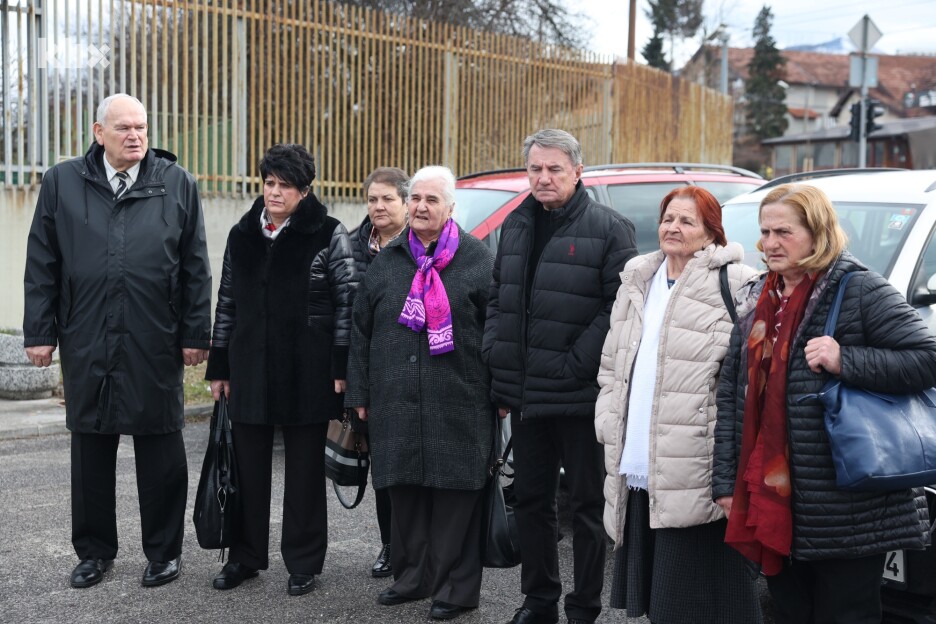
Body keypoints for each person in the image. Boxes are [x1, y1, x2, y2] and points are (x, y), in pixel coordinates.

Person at [713, 183, 936, 624]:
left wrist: (845, 359)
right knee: (791, 613)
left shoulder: (859, 289)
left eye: (784, 232)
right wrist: (725, 482)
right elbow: (731, 394)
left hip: (849, 509)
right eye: (765, 232)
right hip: (776, 501)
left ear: (817, 233)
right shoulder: (761, 299)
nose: (770, 243)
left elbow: (927, 359)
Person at [23, 93, 212, 589]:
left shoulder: (176, 184)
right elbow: (43, 262)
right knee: (91, 445)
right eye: (124, 128)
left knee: (161, 446)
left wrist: (196, 332)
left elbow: (195, 265)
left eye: (142, 128)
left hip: (155, 337)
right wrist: (40, 332)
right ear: (97, 132)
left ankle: (164, 552)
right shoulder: (62, 183)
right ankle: (94, 551)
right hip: (86, 335)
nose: (136, 136)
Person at [483, 129, 637, 624]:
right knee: (531, 500)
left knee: (589, 507)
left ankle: (585, 606)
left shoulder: (609, 228)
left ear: (577, 172)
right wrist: (497, 359)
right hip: (527, 394)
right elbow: (498, 297)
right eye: (535, 169)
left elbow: (619, 307)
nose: (543, 178)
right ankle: (539, 600)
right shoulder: (517, 224)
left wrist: (576, 363)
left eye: (554, 169)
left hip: (579, 394)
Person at [594, 186, 761, 623]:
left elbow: (749, 376)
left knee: (701, 592)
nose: (674, 228)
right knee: (659, 592)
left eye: (688, 221)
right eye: (669, 218)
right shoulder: (638, 279)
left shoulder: (737, 281)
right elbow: (613, 360)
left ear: (710, 233)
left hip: (697, 459)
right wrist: (608, 417)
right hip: (639, 455)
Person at [205, 144, 357, 596]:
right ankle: (246, 557)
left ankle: (304, 561)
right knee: (247, 468)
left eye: (284, 186)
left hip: (307, 370)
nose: (273, 192)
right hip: (249, 366)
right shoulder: (242, 233)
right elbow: (227, 301)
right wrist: (220, 365)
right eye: (269, 183)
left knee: (306, 473)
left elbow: (348, 301)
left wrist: (341, 367)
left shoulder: (328, 232)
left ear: (304, 191)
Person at [346, 165, 495, 621]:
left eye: (433, 200)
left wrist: (503, 394)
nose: (422, 207)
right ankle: (412, 577)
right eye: (416, 199)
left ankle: (456, 588)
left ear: (451, 208)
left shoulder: (478, 260)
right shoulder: (387, 262)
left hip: (461, 398)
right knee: (405, 491)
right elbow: (360, 333)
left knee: (457, 495)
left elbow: (498, 334)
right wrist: (359, 394)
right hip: (396, 399)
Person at [349, 166, 409, 579]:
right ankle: (390, 545)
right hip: (367, 372)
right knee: (380, 470)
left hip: (407, 371)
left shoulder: (419, 248)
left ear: (406, 203)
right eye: (372, 199)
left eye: (388, 198)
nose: (379, 206)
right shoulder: (351, 246)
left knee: (409, 466)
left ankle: (412, 547)